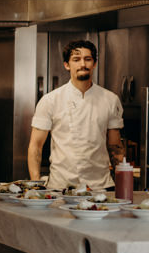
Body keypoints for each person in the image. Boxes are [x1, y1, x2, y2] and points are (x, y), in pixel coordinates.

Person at [28, 40, 124, 190]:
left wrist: (122, 184)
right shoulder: (50, 100)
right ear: (67, 65)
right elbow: (36, 146)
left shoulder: (110, 99)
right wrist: (35, 184)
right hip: (60, 187)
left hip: (101, 186)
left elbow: (115, 146)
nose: (82, 65)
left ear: (95, 63)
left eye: (88, 59)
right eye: (76, 59)